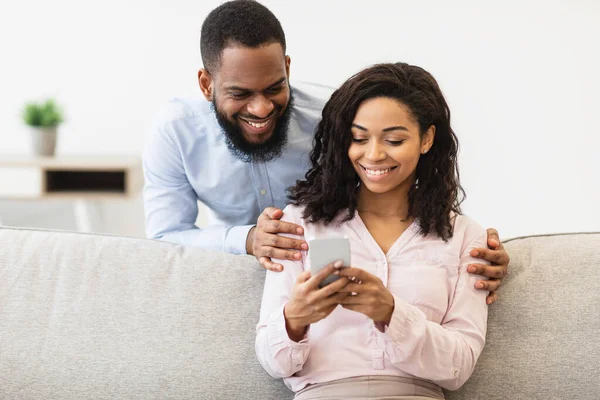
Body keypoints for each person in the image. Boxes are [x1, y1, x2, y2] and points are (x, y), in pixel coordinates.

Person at [142, 0, 508, 304]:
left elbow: (394, 183)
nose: (261, 109)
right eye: (240, 94)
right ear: (207, 84)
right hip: (231, 268)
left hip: (333, 272)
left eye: (274, 88)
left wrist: (467, 249)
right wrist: (248, 239)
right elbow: (164, 238)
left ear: (287, 68)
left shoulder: (335, 117)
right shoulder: (175, 130)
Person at [256, 62, 490, 399]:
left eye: (394, 139)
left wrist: (391, 313)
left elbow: (459, 366)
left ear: (427, 138)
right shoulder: (299, 225)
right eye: (358, 138)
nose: (374, 154)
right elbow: (271, 359)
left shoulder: (466, 237)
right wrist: (295, 319)